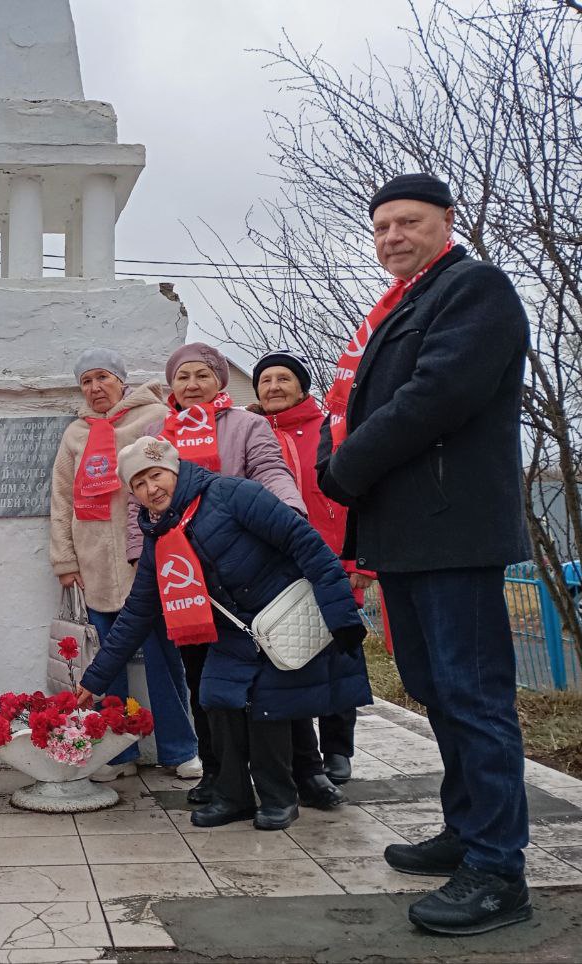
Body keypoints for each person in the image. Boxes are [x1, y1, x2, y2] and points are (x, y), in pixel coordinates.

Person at [317, 173, 533, 935]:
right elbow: (355, 405)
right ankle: (467, 828)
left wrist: (344, 469)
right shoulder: (399, 307)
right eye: (380, 228)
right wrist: (330, 452)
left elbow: (433, 397)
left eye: (407, 222)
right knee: (436, 692)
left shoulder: (476, 290)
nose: (392, 238)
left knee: (473, 698)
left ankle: (499, 871)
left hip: (454, 531)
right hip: (405, 535)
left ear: (447, 219)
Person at [77, 438, 370, 833]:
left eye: (156, 474)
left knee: (268, 708)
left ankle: (280, 798)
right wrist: (95, 678)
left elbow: (305, 543)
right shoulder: (158, 538)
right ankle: (233, 797)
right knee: (216, 699)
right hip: (234, 634)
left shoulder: (233, 494)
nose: (152, 488)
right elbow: (138, 613)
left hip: (279, 616)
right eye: (140, 483)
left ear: (175, 469)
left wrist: (342, 615)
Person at [156, 342, 305, 804]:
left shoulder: (246, 425)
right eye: (183, 377)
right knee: (199, 679)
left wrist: (291, 512)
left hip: (241, 576)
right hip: (186, 577)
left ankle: (269, 780)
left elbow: (270, 470)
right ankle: (217, 775)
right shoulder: (157, 433)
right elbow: (140, 497)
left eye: (202, 375)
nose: (192, 385)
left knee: (253, 682)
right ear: (173, 387)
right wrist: (136, 553)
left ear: (220, 381)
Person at [50, 348, 200, 781]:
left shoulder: (153, 417)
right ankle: (116, 753)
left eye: (103, 378)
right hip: (94, 562)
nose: (96, 388)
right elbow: (60, 499)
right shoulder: (76, 434)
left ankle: (180, 748)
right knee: (105, 663)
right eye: (86, 382)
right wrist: (65, 559)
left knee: (162, 658)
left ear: (121, 380)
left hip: (147, 562)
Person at [253, 348, 375, 809]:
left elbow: (361, 496)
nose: (273, 387)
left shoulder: (332, 429)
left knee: (341, 653)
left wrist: (362, 565)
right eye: (265, 381)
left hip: (335, 558)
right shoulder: (253, 434)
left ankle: (338, 748)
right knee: (295, 656)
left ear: (302, 387)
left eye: (283, 379)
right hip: (279, 567)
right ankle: (306, 760)